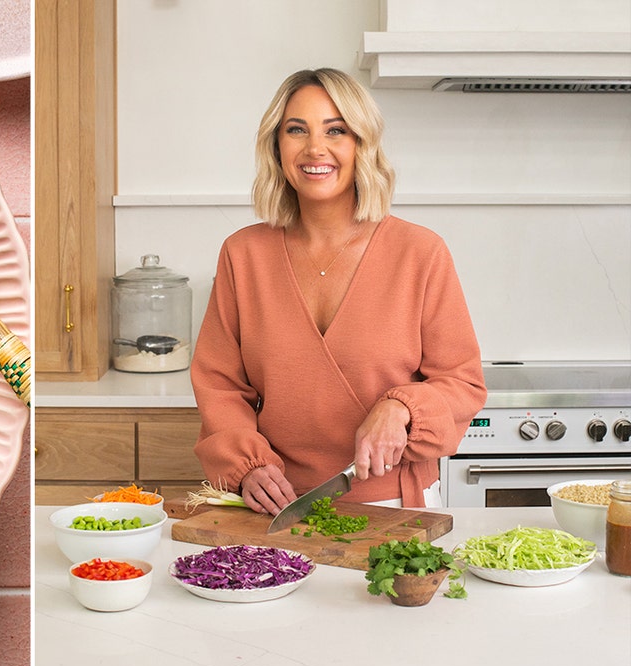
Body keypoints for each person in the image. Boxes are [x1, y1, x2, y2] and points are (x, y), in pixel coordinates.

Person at [190, 68, 487, 515]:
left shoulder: (420, 252)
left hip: (399, 505)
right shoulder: (242, 254)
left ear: (361, 145)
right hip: (278, 505)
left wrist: (402, 406)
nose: (315, 148)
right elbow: (220, 386)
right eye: (296, 130)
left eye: (336, 130)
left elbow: (462, 383)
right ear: (277, 146)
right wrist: (247, 466)